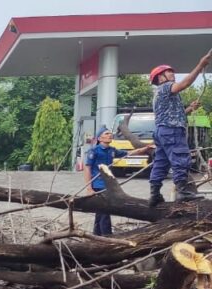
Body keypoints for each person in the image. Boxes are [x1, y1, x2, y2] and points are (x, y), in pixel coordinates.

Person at [148, 51, 211, 206]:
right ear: (160, 77)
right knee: (180, 158)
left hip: (162, 131)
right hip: (172, 130)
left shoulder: (159, 94)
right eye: (169, 72)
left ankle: (154, 194)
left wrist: (189, 109)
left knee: (161, 163)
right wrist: (200, 65)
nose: (173, 74)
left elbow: (172, 114)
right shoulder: (165, 87)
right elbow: (186, 84)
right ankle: (183, 192)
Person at [84, 126, 153, 236]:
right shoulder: (94, 151)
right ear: (99, 138)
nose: (110, 135)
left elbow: (128, 154)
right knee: (105, 211)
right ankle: (107, 237)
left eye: (110, 133)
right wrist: (89, 187)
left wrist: (144, 149)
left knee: (100, 212)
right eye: (106, 134)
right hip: (98, 185)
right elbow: (87, 168)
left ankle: (97, 236)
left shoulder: (112, 150)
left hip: (108, 185)